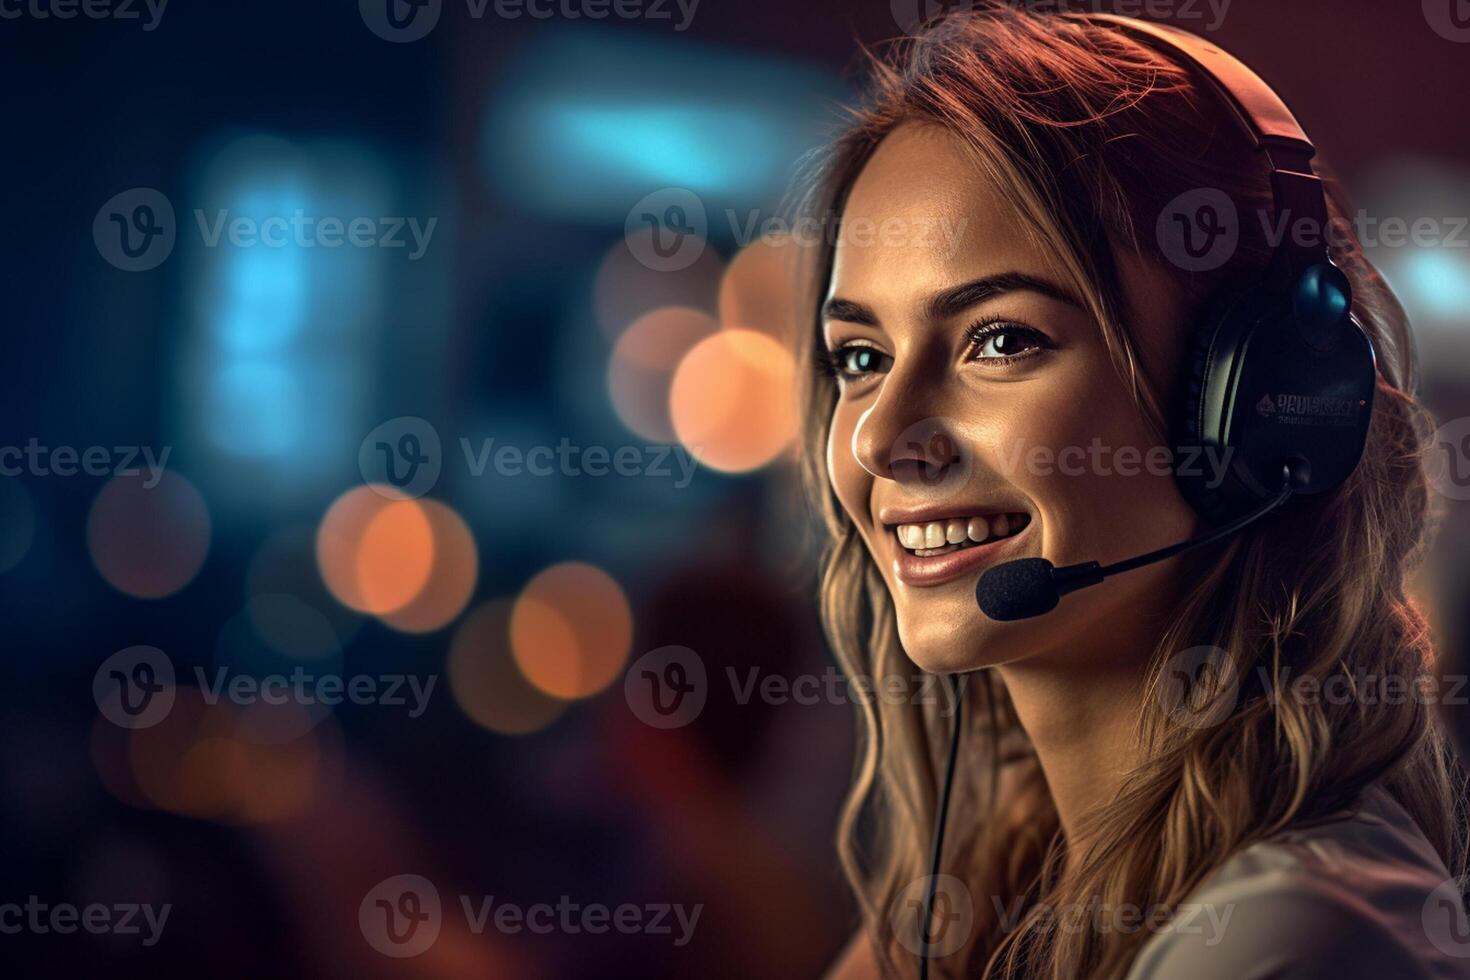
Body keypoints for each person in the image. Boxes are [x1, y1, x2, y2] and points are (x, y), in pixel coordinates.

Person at [799, 6, 1470, 978]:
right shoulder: (1012, 878)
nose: (877, 435)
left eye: (1002, 339)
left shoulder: (1285, 939)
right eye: (860, 355)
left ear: (1251, 403)